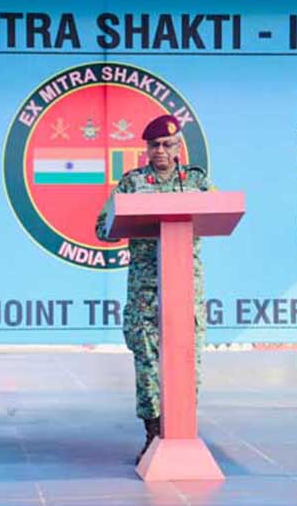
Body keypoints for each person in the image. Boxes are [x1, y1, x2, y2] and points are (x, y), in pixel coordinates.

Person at [95, 114, 213, 465]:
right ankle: (153, 434)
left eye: (167, 145)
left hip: (184, 289)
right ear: (146, 149)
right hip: (147, 289)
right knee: (148, 362)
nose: (160, 151)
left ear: (178, 148)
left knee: (186, 360)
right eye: (154, 145)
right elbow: (102, 228)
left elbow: (216, 214)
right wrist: (124, 220)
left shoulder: (196, 181)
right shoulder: (133, 183)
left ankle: (182, 430)